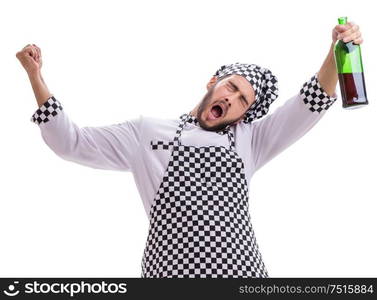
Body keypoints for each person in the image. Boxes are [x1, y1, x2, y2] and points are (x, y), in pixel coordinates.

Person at [16, 21, 363, 278]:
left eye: (243, 100)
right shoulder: (147, 132)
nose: (231, 98)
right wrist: (36, 77)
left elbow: (311, 102)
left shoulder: (251, 140)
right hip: (168, 275)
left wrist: (337, 52)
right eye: (231, 87)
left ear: (247, 114)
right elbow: (70, 143)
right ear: (213, 83)